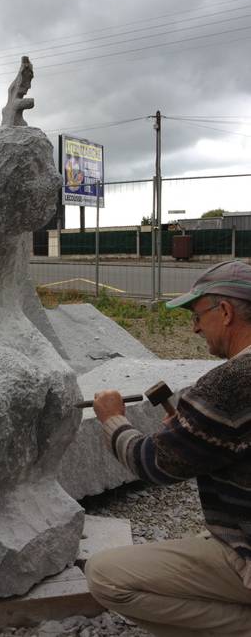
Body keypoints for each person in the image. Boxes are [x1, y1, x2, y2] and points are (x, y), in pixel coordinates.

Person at [85, 260, 251, 637]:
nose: (194, 327)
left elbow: (153, 463)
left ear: (224, 312)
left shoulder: (230, 382)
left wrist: (112, 419)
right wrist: (195, 436)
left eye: (197, 315)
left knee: (106, 576)